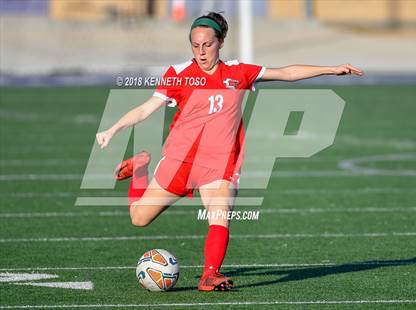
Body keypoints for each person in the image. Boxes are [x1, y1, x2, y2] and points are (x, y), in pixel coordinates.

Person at [96, 12, 363, 291]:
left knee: (220, 212)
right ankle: (139, 167)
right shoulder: (178, 74)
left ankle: (210, 275)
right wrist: (113, 129)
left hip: (220, 164)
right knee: (139, 219)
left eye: (207, 45)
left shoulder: (238, 72)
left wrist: (331, 69)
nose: (201, 52)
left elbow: (287, 73)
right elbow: (146, 108)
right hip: (180, 160)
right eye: (195, 45)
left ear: (220, 42)